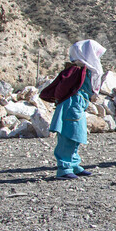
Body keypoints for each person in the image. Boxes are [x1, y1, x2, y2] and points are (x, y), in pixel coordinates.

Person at [40, 40, 105, 180]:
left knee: (76, 136)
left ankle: (74, 165)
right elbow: (62, 90)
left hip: (77, 107)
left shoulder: (86, 70)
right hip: (71, 107)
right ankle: (64, 168)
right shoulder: (75, 71)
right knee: (68, 137)